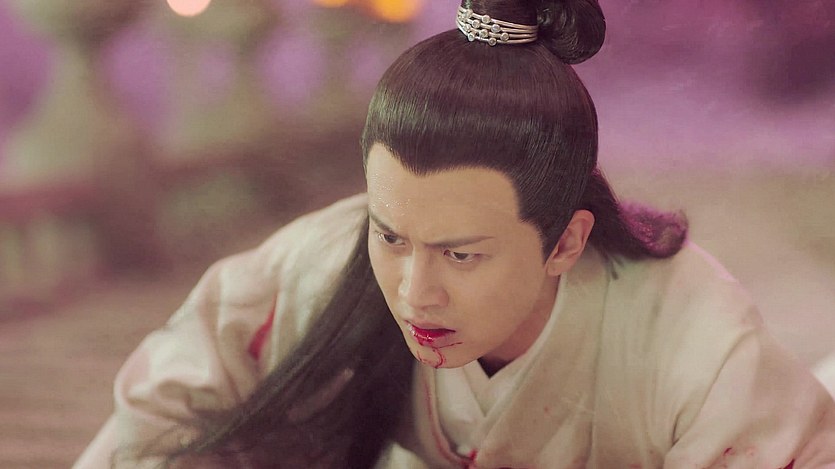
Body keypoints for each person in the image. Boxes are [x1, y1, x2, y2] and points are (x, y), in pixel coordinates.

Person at [75, 0, 835, 467]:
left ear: (566, 243)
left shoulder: (694, 338)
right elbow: (152, 420)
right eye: (392, 237)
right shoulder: (323, 261)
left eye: (461, 254)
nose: (415, 292)